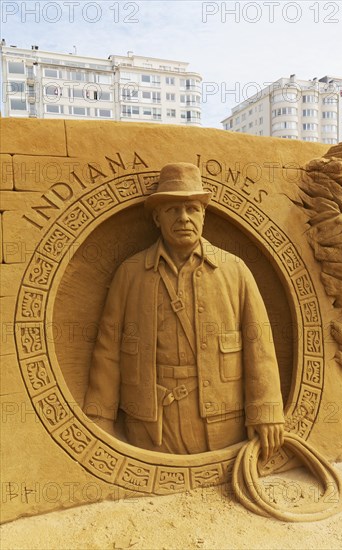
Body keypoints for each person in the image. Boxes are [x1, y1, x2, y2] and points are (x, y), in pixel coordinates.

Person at [83, 163, 284, 460]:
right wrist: (100, 417)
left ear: (204, 215)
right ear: (157, 218)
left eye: (192, 208)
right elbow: (108, 350)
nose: (183, 218)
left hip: (221, 423)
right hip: (150, 426)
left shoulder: (235, 271)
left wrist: (267, 411)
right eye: (172, 210)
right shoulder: (130, 273)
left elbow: (260, 346)